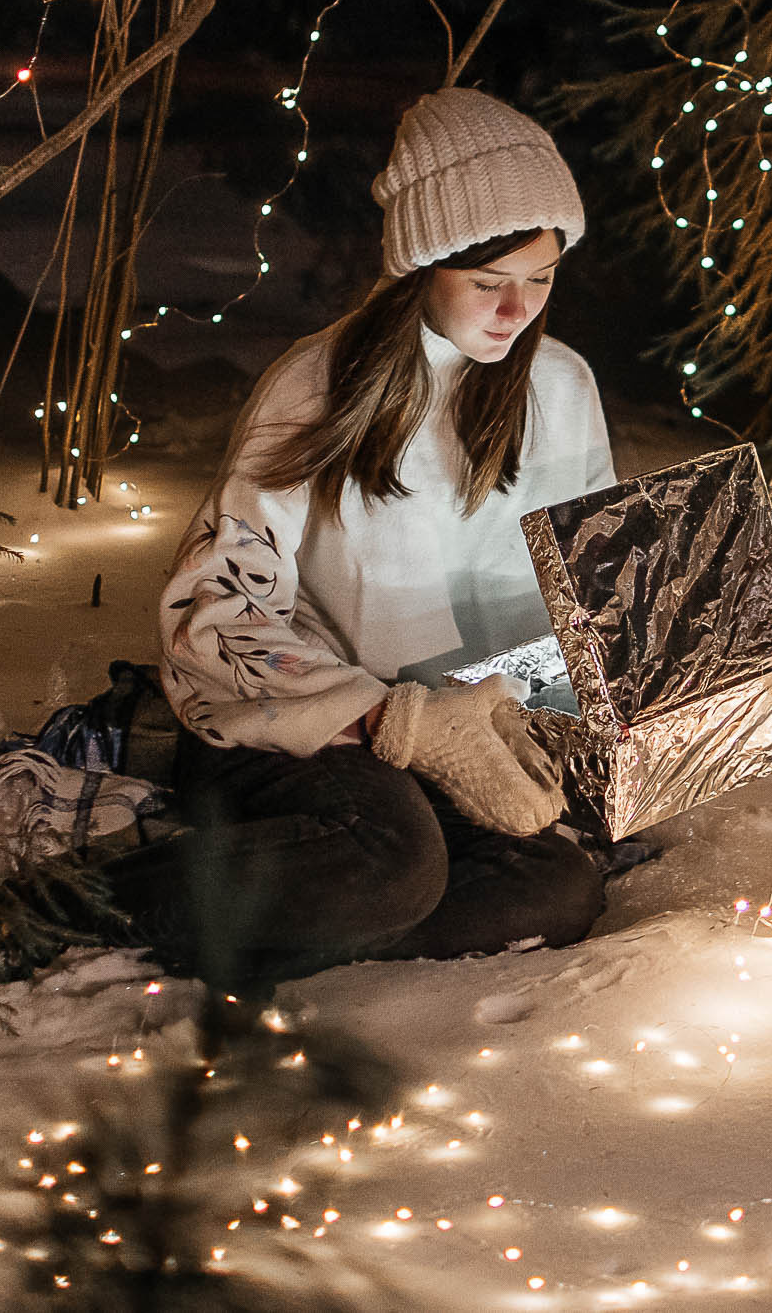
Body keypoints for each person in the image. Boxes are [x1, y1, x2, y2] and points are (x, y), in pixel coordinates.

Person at [86, 89, 618, 988]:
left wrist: (749, 678)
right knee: (395, 861)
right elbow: (212, 615)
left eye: (542, 277)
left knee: (557, 889)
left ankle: (272, 926)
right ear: (423, 266)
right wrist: (391, 719)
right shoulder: (317, 388)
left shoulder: (561, 389)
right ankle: (72, 907)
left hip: (466, 747)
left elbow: (591, 595)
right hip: (300, 733)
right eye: (488, 281)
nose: (517, 308)